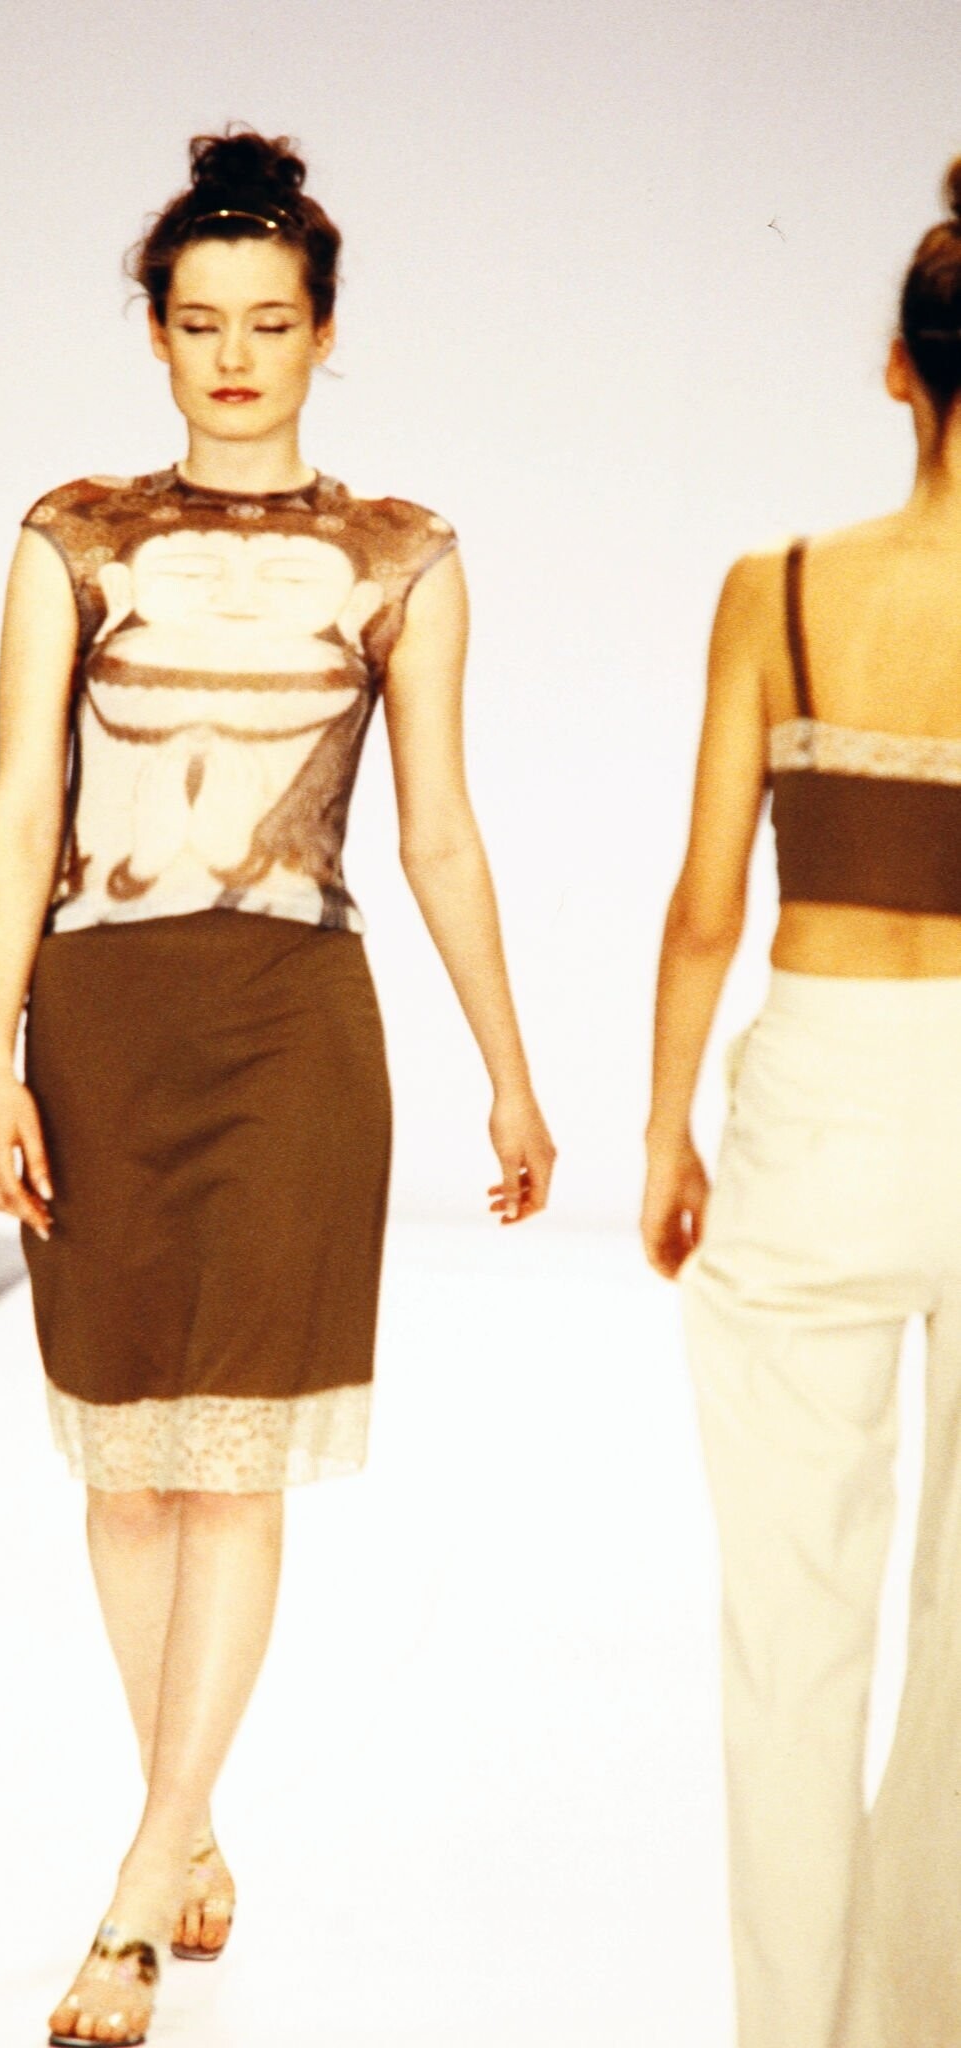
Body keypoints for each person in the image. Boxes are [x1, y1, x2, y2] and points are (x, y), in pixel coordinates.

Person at [0, 128, 555, 2048]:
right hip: (100, 1021)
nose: (235, 356)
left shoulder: (401, 558)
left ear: (323, 331)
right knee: (126, 1462)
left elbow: (440, 831)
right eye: (203, 321)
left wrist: (510, 1075)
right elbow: (25, 805)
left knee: (228, 1460)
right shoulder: (72, 538)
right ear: (155, 333)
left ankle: (140, 1894)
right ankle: (192, 1816)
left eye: (270, 322)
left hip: (296, 1026)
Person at [642, 158, 961, 2048]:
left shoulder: (779, 590)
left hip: (826, 1096)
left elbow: (707, 904)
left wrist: (667, 1132)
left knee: (793, 1621)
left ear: (902, 371)